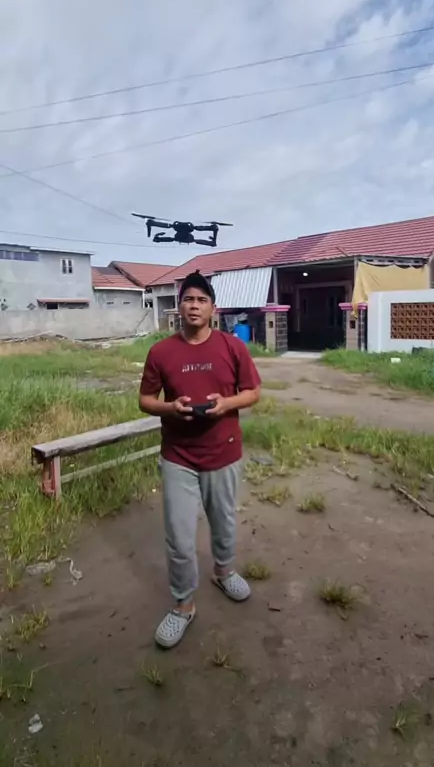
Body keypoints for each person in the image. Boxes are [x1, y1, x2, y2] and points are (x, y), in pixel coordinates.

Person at [139, 271, 261, 648]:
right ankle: (183, 605)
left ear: (213, 308)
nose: (194, 306)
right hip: (178, 455)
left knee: (223, 521)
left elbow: (253, 392)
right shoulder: (161, 352)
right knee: (179, 535)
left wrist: (226, 404)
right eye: (188, 299)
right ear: (180, 306)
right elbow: (145, 400)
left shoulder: (232, 347)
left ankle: (223, 572)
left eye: (201, 300)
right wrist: (170, 408)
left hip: (223, 451)